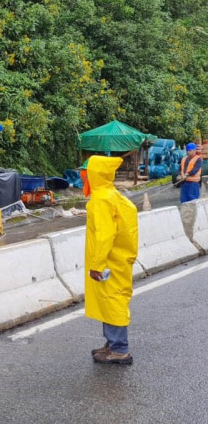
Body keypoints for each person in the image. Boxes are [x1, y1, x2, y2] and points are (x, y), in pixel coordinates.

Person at [83, 155, 138, 364]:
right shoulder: (112, 195)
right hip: (118, 260)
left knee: (113, 301)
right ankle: (112, 344)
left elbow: (104, 235)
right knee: (110, 300)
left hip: (109, 262)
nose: (83, 177)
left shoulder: (101, 200)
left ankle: (119, 350)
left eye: (86, 173)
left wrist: (97, 265)